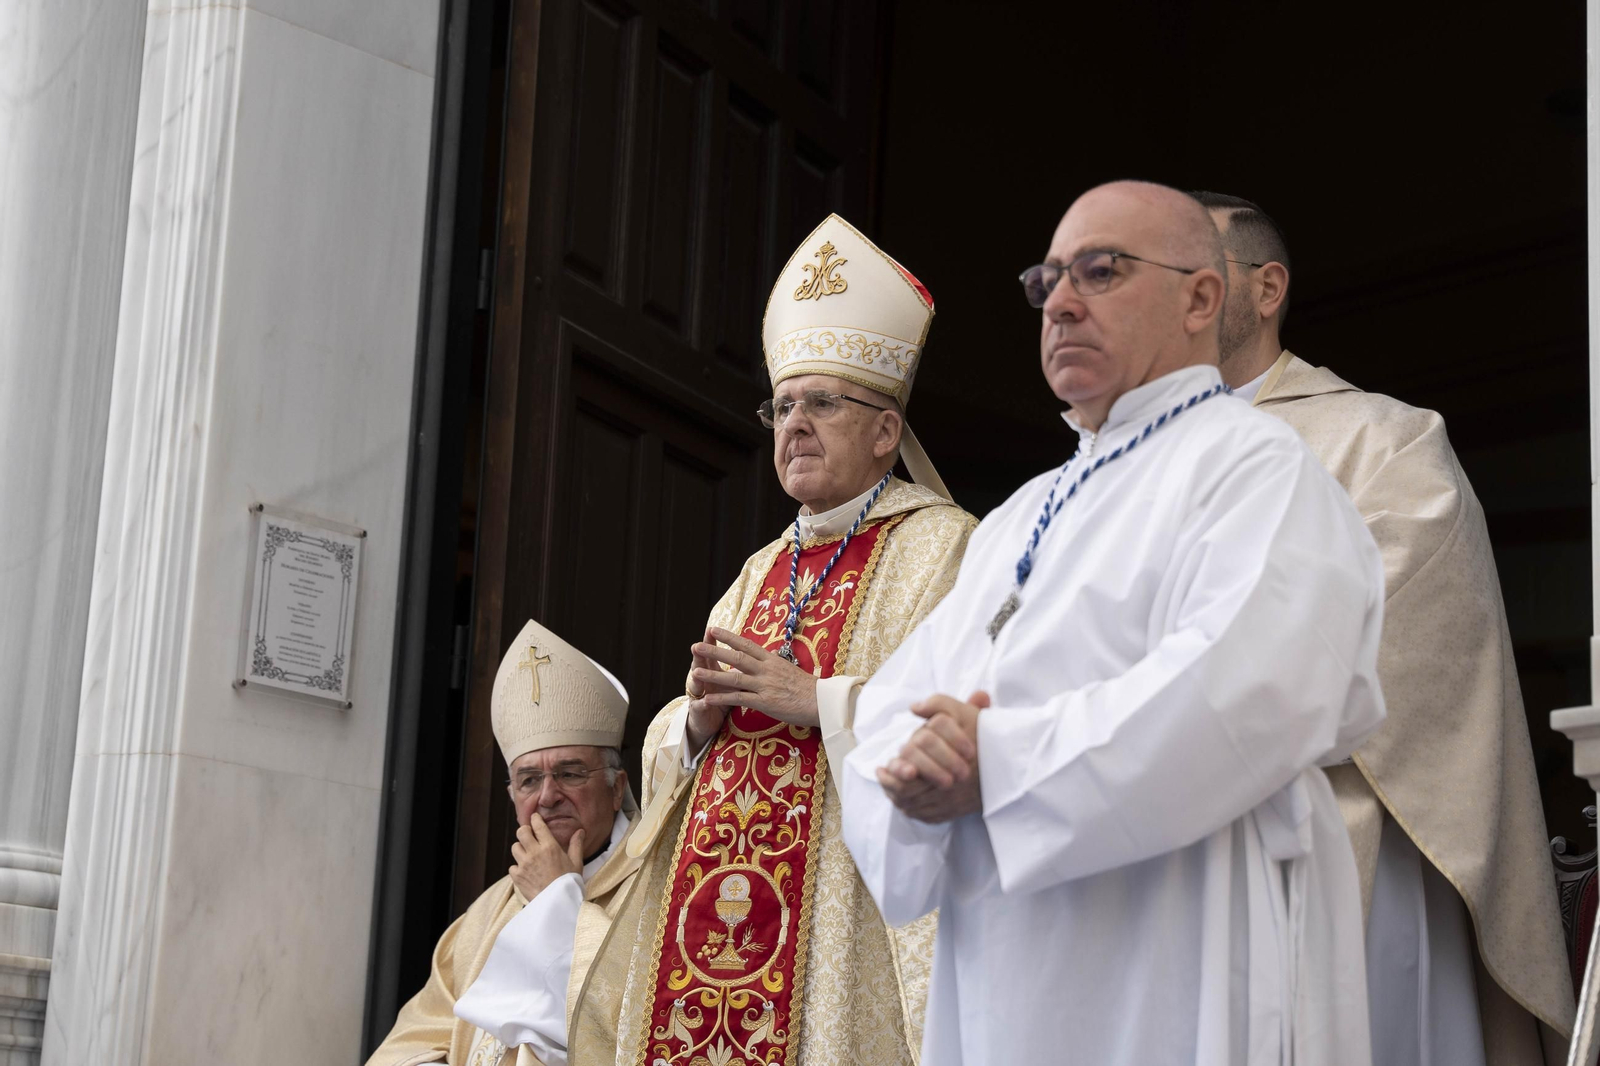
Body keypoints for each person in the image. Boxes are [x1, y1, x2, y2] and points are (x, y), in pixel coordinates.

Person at [838, 181, 1387, 1066]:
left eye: (1100, 271)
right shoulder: (1020, 514)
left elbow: (1247, 688)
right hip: (1003, 948)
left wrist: (1003, 761)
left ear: (1202, 299)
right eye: (1048, 280)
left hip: (1175, 930)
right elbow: (899, 703)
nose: (1060, 302)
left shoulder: (1257, 467)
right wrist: (916, 774)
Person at [569, 214, 977, 1066]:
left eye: (822, 402)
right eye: (782, 405)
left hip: (839, 930)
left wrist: (820, 701)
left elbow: (971, 718)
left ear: (885, 432)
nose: (794, 423)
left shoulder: (947, 547)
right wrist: (691, 727)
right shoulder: (758, 571)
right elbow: (669, 742)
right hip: (711, 930)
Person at [1194, 189, 1575, 1065]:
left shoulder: (1384, 439)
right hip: (1154, 859)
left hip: (1332, 851)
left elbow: (1399, 633)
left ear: (1266, 287)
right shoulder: (1111, 467)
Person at [367, 620, 639, 1066]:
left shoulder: (663, 892)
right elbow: (414, 1039)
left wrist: (557, 901)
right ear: (513, 797)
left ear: (616, 788)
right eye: (529, 780)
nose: (548, 796)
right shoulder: (490, 912)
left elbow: (641, 1026)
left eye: (570, 773)